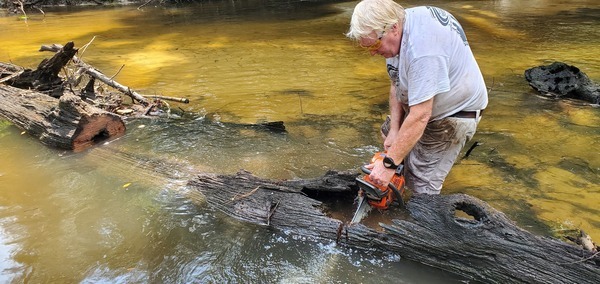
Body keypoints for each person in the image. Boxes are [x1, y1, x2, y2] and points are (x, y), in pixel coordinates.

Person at [346, 0, 488, 195]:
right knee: (389, 136)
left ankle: (422, 221)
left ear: (393, 28)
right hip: (423, 103)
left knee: (422, 186)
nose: (372, 52)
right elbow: (396, 81)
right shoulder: (397, 29)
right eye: (367, 48)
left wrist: (388, 165)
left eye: (375, 45)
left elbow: (421, 115)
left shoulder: (423, 49)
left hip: (453, 114)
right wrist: (395, 130)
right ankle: (397, 184)